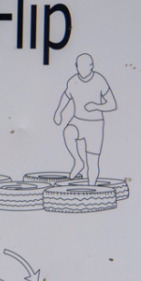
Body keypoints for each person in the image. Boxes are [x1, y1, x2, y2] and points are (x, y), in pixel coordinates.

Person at [53, 53, 117, 185]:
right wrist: (59, 112)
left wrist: (96, 106)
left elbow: (112, 104)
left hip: (95, 124)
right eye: (79, 66)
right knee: (68, 132)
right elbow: (66, 96)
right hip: (78, 120)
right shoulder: (73, 81)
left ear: (91, 66)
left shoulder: (99, 80)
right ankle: (78, 161)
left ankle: (92, 188)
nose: (81, 69)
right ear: (76, 66)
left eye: (84, 66)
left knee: (92, 161)